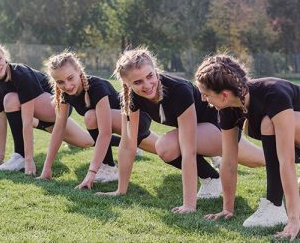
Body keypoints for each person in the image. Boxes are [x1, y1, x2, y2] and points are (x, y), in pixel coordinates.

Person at [98, 48, 265, 214]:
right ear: (127, 83)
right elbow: (128, 145)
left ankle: (284, 162)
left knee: (261, 159)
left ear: (156, 70)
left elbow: (189, 151)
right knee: (165, 147)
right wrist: (120, 190)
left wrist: (189, 205)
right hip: (198, 132)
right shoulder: (131, 98)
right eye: (138, 82)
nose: (147, 85)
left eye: (150, 76)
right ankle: (212, 178)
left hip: (219, 128)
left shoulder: (178, 89)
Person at [195, 54, 300, 241]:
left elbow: (287, 161)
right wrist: (227, 208)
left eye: (206, 94)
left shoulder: (273, 94)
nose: (204, 99)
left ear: (224, 95)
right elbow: (228, 160)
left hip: (293, 140)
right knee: (264, 123)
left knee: (267, 122)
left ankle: (276, 205)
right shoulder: (227, 110)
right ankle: (275, 206)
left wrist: (294, 220)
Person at [0, 40, 94, 176]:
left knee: (11, 99)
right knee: (87, 141)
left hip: (54, 108)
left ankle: (20, 155)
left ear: (4, 56)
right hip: (38, 117)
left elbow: (26, 122)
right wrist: (1, 153)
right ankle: (119, 141)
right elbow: (0, 116)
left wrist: (29, 159)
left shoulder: (19, 73)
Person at [38, 51, 157, 188]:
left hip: (137, 120)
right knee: (165, 150)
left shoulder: (96, 87)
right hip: (125, 128)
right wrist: (47, 167)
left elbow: (105, 133)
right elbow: (59, 130)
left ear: (78, 70)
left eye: (70, 78)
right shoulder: (65, 94)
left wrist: (91, 172)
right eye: (60, 82)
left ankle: (109, 167)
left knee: (91, 117)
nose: (67, 85)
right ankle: (136, 149)